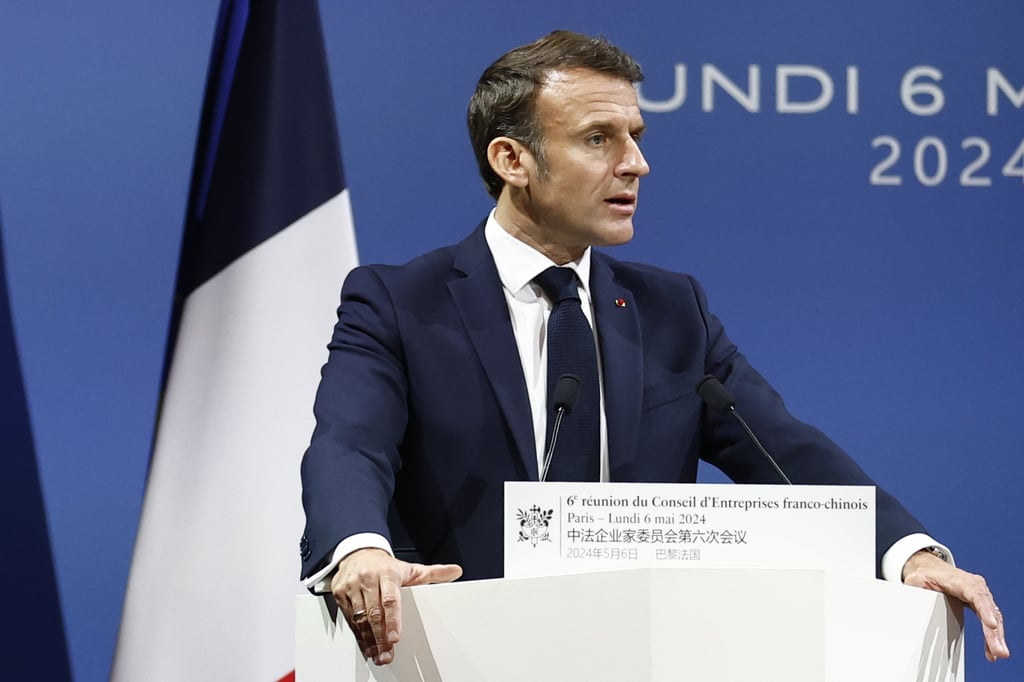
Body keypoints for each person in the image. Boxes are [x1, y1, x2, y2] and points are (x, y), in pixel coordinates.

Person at [299, 30, 1008, 667]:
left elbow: (785, 452)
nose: (637, 164)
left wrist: (907, 552)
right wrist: (361, 547)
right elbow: (349, 445)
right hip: (457, 658)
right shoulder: (400, 303)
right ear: (512, 159)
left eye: (635, 135)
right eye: (598, 138)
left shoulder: (673, 312)